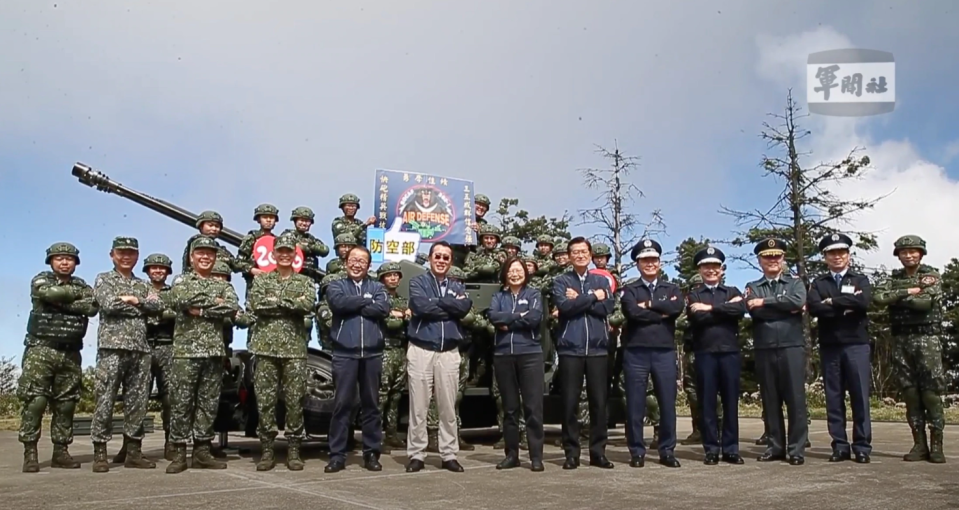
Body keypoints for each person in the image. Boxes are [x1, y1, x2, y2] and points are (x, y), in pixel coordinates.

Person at [18, 242, 98, 472]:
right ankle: (30, 452)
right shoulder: (41, 279)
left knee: (66, 404)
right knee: (36, 400)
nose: (64, 262)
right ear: (51, 262)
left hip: (71, 351)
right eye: (59, 258)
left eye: (69, 258)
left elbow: (92, 307)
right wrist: (75, 301)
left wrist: (63, 300)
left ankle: (60, 452)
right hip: (41, 349)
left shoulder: (81, 284)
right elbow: (49, 293)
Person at [166, 237, 241, 474]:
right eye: (200, 253)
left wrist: (199, 309)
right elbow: (178, 299)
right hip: (186, 352)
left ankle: (202, 451)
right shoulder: (181, 280)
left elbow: (231, 306)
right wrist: (213, 305)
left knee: (208, 404)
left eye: (210, 253)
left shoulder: (223, 285)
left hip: (213, 352)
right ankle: (178, 451)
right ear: (191, 257)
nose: (205, 257)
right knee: (182, 402)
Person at [90, 236, 162, 473]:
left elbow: (156, 305)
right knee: (105, 399)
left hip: (140, 349)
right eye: (121, 252)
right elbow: (108, 304)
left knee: (138, 402)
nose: (126, 256)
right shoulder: (104, 279)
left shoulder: (142, 284)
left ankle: (133, 451)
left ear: (137, 256)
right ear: (112, 255)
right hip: (112, 348)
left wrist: (134, 300)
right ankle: (100, 451)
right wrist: (138, 306)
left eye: (131, 253)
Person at [246, 234, 316, 471]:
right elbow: (257, 305)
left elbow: (308, 306)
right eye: (281, 251)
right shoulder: (262, 280)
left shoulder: (305, 282)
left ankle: (294, 449)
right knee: (265, 401)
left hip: (294, 349)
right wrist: (290, 304)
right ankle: (267, 449)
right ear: (274, 254)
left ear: (295, 255)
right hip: (265, 348)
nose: (285, 255)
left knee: (295, 401)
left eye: (289, 251)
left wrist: (277, 301)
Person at [873, 235, 946, 463]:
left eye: (913, 251)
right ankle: (919, 444)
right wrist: (910, 292)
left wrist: (898, 297)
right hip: (901, 339)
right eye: (904, 252)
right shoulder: (893, 278)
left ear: (921, 253)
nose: (909, 255)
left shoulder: (931, 276)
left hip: (927, 340)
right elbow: (878, 298)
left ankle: (936, 445)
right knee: (910, 393)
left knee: (931, 393)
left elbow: (924, 303)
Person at [405, 242, 473, 473]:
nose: (441, 260)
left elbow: (464, 308)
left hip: (449, 352)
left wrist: (439, 303)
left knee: (447, 407)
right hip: (421, 349)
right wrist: (449, 306)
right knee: (419, 407)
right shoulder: (418, 282)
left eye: (446, 257)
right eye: (438, 256)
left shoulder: (457, 285)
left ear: (450, 261)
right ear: (430, 258)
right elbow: (420, 307)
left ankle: (449, 454)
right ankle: (416, 454)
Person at [806, 233, 872, 463]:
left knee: (860, 398)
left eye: (841, 253)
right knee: (833, 398)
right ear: (825, 257)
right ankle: (840, 446)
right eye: (832, 253)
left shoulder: (860, 280)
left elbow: (864, 302)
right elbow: (814, 308)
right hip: (830, 346)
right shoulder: (818, 283)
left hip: (856, 344)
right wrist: (845, 305)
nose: (837, 257)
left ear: (848, 256)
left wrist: (832, 302)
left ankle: (862, 446)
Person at [325, 246, 391, 472]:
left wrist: (356, 303)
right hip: (345, 353)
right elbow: (338, 304)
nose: (357, 264)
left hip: (372, 353)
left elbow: (382, 308)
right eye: (353, 259)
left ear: (368, 265)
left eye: (362, 261)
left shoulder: (378, 287)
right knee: (342, 404)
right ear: (346, 263)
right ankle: (337, 455)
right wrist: (365, 301)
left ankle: (371, 453)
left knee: (372, 405)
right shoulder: (336, 285)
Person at [551, 237, 615, 470]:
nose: (579, 255)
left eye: (583, 251)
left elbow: (607, 308)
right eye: (575, 252)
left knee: (599, 402)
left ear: (589, 255)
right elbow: (564, 308)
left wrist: (578, 300)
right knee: (570, 402)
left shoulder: (601, 280)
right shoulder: (561, 281)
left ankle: (598, 452)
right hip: (571, 348)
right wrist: (590, 298)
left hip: (598, 349)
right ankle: (571, 453)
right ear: (569, 256)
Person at [620, 239, 684, 468]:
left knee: (667, 403)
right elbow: (632, 313)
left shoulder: (672, 288)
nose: (650, 264)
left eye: (653, 260)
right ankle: (637, 451)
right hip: (636, 352)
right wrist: (660, 311)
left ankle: (667, 450)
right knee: (635, 404)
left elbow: (676, 309)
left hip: (664, 352)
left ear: (659, 262)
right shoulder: (630, 289)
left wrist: (647, 305)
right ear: (638, 263)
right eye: (645, 260)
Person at [745, 238, 808, 465]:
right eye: (767, 257)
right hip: (765, 347)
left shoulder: (795, 282)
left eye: (777, 256)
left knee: (795, 399)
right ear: (760, 260)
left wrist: (766, 302)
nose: (772, 260)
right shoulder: (753, 286)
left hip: (791, 346)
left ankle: (797, 449)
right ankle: (776, 446)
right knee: (770, 399)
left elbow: (797, 301)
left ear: (783, 258)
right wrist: (782, 306)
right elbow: (756, 312)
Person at [113, 253, 177, 464]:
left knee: (170, 398)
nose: (158, 271)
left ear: (167, 272)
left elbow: (177, 313)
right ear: (147, 271)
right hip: (143, 345)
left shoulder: (173, 292)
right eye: (153, 268)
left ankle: (171, 443)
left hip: (168, 347)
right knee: (137, 397)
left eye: (162, 268)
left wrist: (148, 311)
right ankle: (130, 444)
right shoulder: (140, 289)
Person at [685, 247, 746, 465]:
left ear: (721, 270)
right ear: (700, 270)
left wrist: (709, 308)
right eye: (706, 267)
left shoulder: (732, 290)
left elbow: (739, 311)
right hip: (705, 353)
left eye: (715, 266)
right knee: (707, 402)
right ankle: (711, 448)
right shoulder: (694, 294)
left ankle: (731, 448)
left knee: (731, 402)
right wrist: (724, 309)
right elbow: (697, 318)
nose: (711, 270)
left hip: (729, 352)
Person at [487, 257, 546, 471]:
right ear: (505, 273)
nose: (515, 274)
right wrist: (517, 316)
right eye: (511, 270)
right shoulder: (498, 296)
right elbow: (493, 316)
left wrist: (508, 320)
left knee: (532, 407)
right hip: (503, 355)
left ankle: (536, 456)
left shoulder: (534, 294)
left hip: (530, 354)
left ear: (525, 273)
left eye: (519, 270)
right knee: (510, 409)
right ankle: (512, 454)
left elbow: (534, 318)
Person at [377, 262, 410, 452]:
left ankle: (391, 433)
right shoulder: (379, 299)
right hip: (384, 350)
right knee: (381, 395)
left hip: (400, 350)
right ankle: (375, 436)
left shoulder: (403, 300)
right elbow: (389, 323)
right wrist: (397, 316)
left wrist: (402, 315)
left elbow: (410, 319)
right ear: (382, 278)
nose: (393, 278)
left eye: (396, 275)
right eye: (389, 275)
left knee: (396, 395)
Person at [235, 204, 280, 297]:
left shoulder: (279, 241)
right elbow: (238, 262)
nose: (268, 220)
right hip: (255, 284)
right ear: (259, 219)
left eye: (271, 217)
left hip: (276, 285)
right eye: (265, 217)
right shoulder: (252, 238)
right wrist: (252, 270)